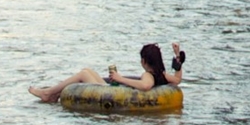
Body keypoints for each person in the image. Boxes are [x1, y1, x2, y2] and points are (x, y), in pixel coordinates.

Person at [29, 42, 184, 102]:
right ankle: (53, 94)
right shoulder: (162, 75)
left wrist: (120, 78)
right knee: (87, 71)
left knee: (83, 74)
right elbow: (177, 80)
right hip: (117, 91)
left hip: (112, 94)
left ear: (144, 61)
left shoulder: (148, 75)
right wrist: (178, 57)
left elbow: (145, 86)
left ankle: (48, 93)